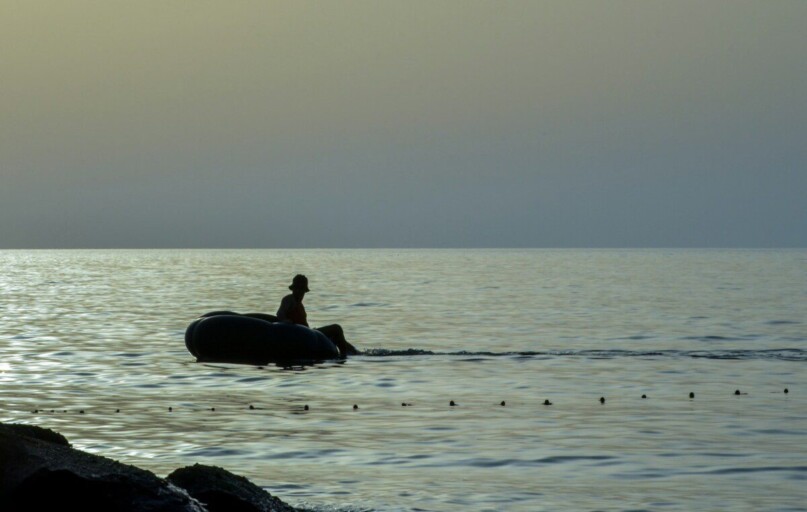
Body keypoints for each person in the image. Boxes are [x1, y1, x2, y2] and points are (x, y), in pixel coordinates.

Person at [277, 274, 358, 357]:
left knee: (337, 337)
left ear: (304, 291)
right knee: (336, 328)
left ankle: (356, 352)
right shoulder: (289, 299)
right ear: (293, 289)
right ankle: (343, 356)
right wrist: (286, 321)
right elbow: (280, 314)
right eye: (297, 289)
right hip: (302, 335)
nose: (299, 291)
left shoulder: (299, 304)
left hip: (307, 333)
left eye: (301, 289)